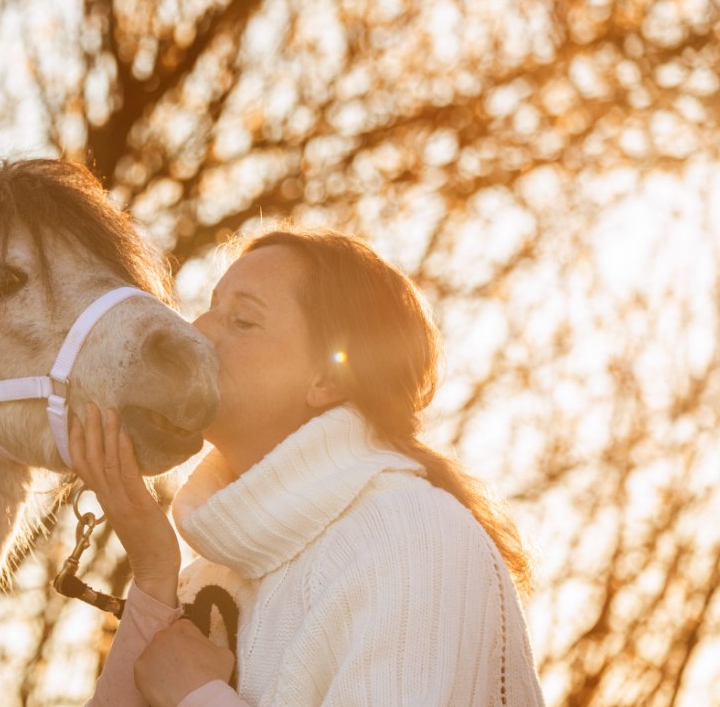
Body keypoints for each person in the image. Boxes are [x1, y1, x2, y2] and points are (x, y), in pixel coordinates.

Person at [71, 228, 545, 706]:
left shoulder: (416, 537)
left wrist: (197, 697)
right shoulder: (206, 576)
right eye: (211, 307)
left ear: (329, 377)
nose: (199, 330)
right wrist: (154, 575)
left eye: (242, 321)